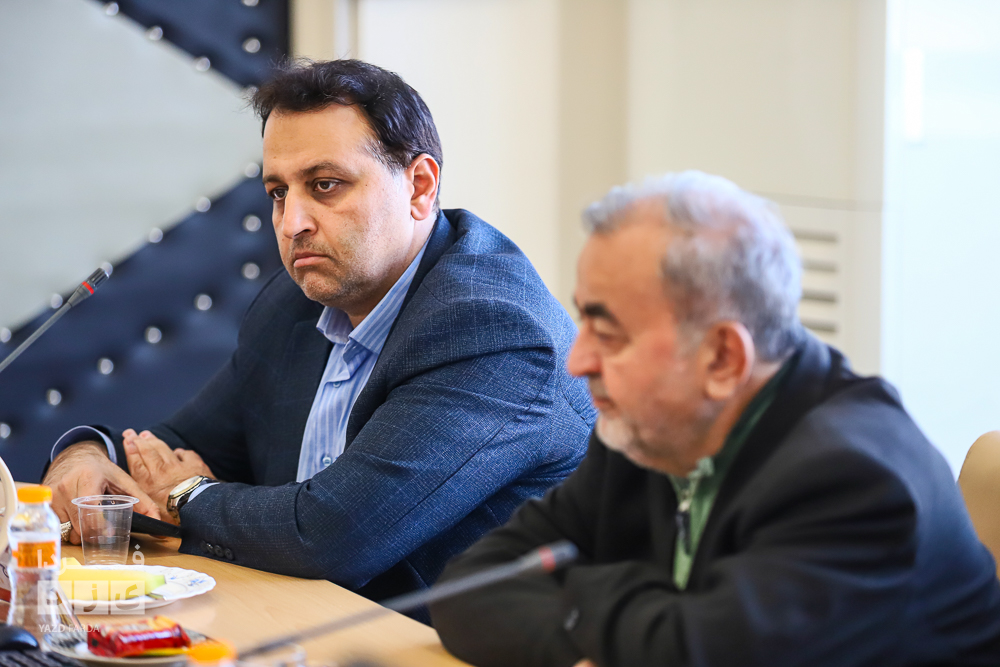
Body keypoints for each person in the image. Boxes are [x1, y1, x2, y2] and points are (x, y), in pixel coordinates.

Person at [41, 59, 595, 603]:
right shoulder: (296, 305)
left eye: (325, 185)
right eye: (279, 192)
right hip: (304, 624)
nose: (292, 224)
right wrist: (86, 457)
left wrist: (186, 495)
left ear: (419, 187)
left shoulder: (490, 328)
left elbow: (332, 537)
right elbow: (171, 450)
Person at [429, 171, 1000, 665]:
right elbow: (467, 591)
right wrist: (626, 626)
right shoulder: (649, 429)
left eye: (609, 334)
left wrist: (585, 597)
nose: (578, 362)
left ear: (723, 358)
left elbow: (706, 656)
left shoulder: (853, 479)